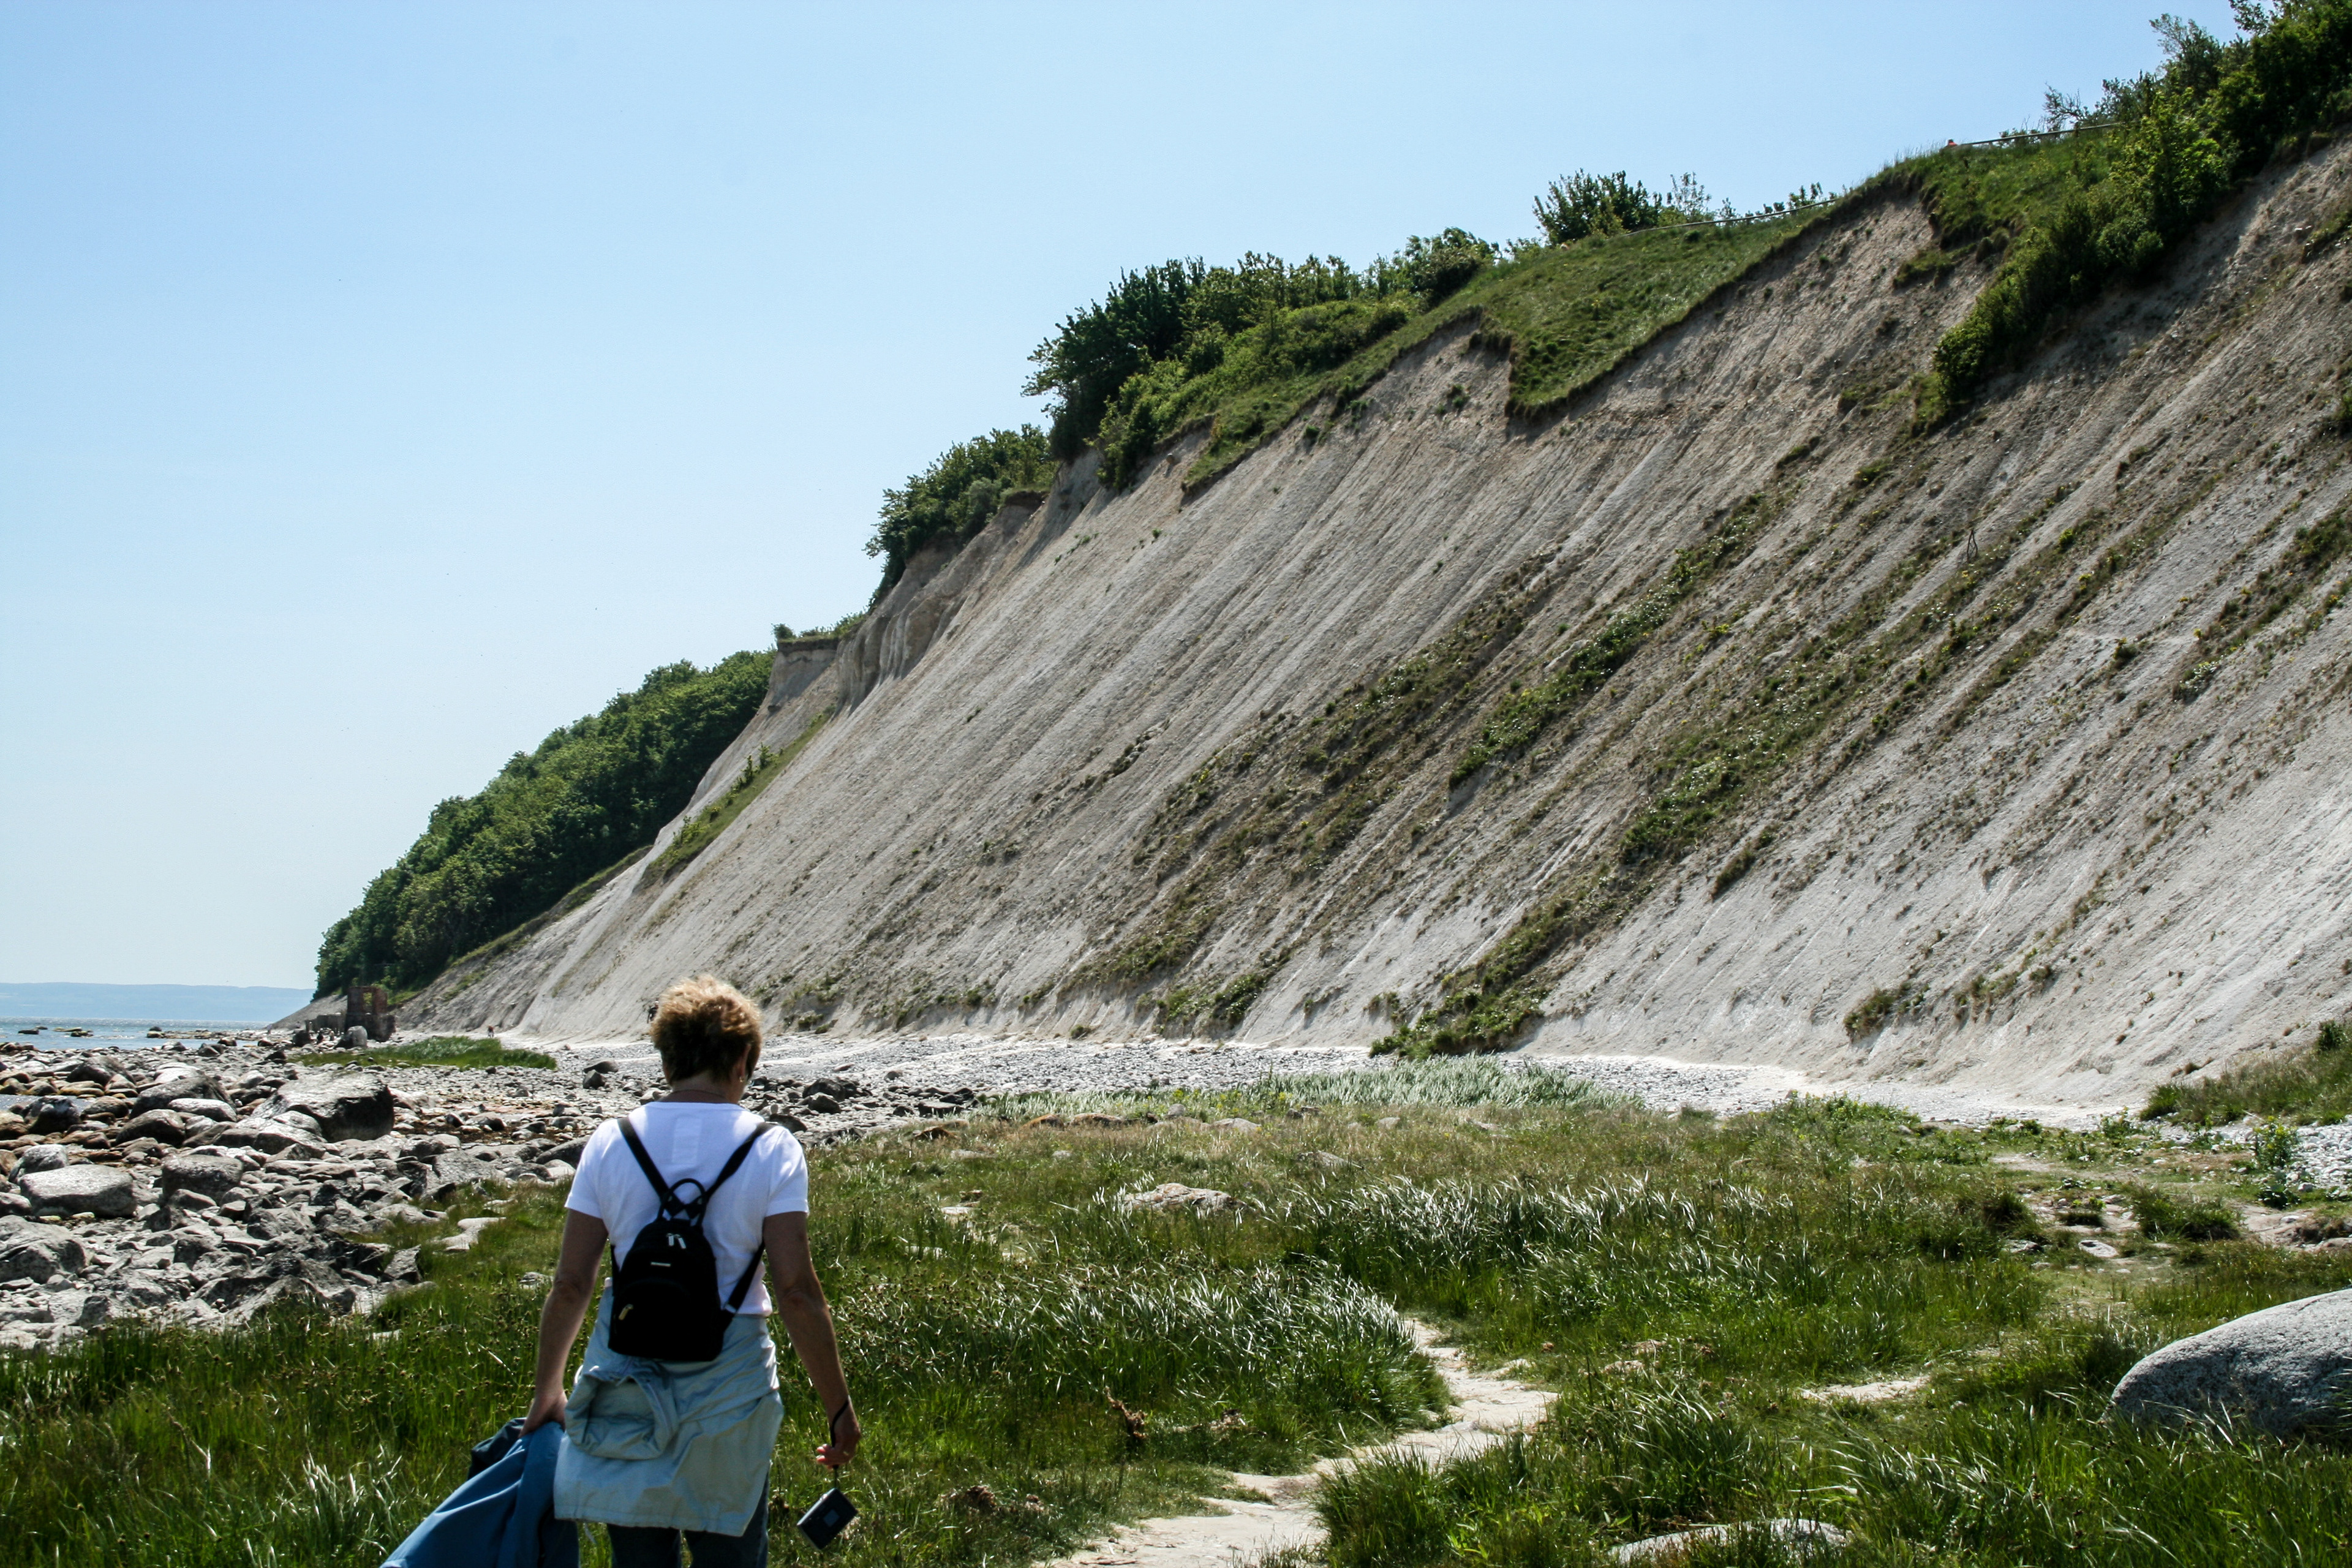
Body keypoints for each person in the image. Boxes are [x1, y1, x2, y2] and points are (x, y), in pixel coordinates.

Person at [523, 974, 860, 1566]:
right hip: (729, 1386)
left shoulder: (610, 1141)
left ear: (667, 1060)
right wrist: (838, 1408)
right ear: (743, 1060)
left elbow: (571, 1284)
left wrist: (547, 1391)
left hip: (625, 1379)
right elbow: (797, 1293)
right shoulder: (772, 1147)